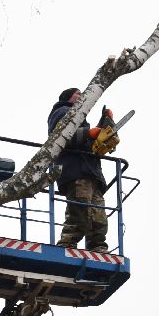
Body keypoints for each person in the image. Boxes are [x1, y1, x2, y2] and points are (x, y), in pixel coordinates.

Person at [47, 88, 110, 252]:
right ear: (68, 97)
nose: (82, 97)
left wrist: (104, 126)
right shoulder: (63, 111)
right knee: (79, 212)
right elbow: (61, 138)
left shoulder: (81, 118)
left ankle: (97, 246)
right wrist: (89, 133)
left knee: (99, 216)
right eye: (78, 94)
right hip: (76, 170)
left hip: (91, 172)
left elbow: (88, 142)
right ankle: (67, 243)